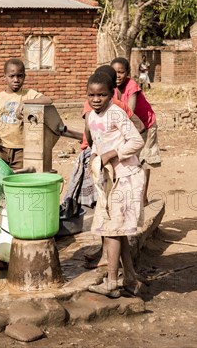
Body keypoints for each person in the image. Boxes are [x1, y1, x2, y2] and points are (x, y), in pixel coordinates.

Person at [84, 71, 145, 298]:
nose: (96, 99)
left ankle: (111, 282)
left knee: (111, 231)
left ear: (111, 95)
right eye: (92, 95)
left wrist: (114, 153)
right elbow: (97, 143)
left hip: (126, 177)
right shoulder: (91, 117)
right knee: (116, 232)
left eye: (101, 95)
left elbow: (137, 141)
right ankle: (129, 279)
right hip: (109, 179)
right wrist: (95, 156)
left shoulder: (116, 114)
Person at [111, 57, 161, 206]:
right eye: (115, 72)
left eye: (121, 72)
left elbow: (129, 112)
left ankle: (143, 198)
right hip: (127, 128)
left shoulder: (132, 86)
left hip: (145, 124)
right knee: (126, 161)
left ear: (127, 73)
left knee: (144, 161)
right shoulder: (109, 87)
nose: (118, 76)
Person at [0, 58, 52, 170]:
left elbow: (48, 100)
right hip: (0, 148)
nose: (16, 80)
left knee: (18, 177)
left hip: (21, 149)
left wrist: (25, 103)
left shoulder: (28, 94)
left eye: (20, 76)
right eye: (12, 76)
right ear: (4, 77)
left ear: (24, 77)